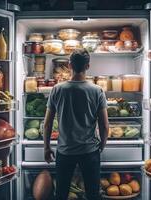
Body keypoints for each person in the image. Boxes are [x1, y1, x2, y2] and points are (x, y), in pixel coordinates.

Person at [43, 49, 109, 200]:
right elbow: (105, 125)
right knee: (93, 194)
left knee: (61, 193)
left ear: (69, 65)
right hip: (89, 151)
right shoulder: (97, 90)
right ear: (88, 66)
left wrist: (47, 147)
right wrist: (102, 144)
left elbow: (47, 124)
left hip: (65, 151)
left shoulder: (57, 89)